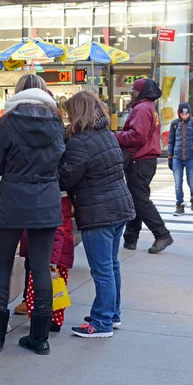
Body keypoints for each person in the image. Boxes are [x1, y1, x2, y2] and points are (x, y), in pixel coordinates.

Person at [0, 74, 64, 355]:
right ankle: (40, 338)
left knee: (2, 266)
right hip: (46, 201)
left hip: (12, 201)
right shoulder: (57, 123)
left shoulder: (8, 122)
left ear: (17, 93)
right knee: (41, 268)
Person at [59, 91, 135, 338]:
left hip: (97, 212)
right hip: (118, 207)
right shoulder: (108, 134)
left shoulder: (80, 142)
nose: (68, 118)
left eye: (70, 113)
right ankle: (112, 314)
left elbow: (67, 178)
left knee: (102, 270)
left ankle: (101, 322)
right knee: (111, 266)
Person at [115, 78, 173, 254]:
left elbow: (137, 136)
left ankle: (162, 234)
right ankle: (131, 238)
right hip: (144, 160)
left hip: (139, 160)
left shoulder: (141, 108)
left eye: (133, 89)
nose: (131, 92)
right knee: (135, 199)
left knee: (139, 200)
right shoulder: (148, 107)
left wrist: (116, 136)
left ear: (140, 92)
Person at [19, 194, 75, 333]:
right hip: (57, 254)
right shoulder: (64, 202)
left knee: (38, 288)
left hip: (49, 256)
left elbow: (57, 233)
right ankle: (55, 319)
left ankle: (41, 319)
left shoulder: (50, 202)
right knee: (57, 289)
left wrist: (52, 261)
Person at [167, 103, 193, 216]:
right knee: (178, 183)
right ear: (179, 113)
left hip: (191, 157)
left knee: (191, 181)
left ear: (189, 113)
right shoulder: (174, 124)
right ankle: (180, 204)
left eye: (186, 113)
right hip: (177, 158)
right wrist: (170, 156)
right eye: (182, 114)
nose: (184, 116)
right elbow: (171, 141)